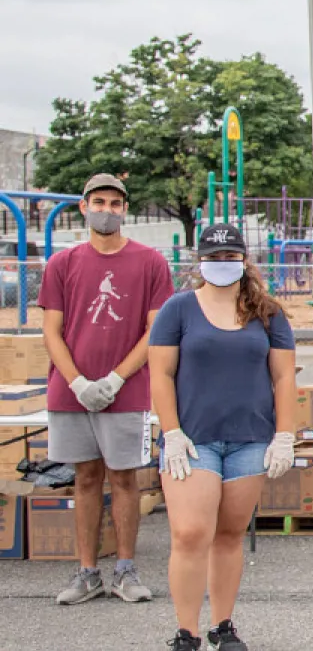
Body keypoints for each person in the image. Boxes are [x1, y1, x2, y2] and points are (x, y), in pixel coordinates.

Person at [151, 223, 297, 651]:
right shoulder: (177, 311)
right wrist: (171, 432)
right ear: (200, 262)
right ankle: (186, 632)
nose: (221, 265)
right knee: (191, 533)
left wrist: (285, 435)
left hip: (250, 439)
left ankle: (223, 625)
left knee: (230, 534)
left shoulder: (267, 314)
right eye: (213, 258)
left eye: (230, 257)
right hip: (193, 441)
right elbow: (160, 374)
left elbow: (284, 376)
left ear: (244, 260)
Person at [41, 173, 174, 607]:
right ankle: (86, 573)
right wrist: (77, 381)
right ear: (83, 206)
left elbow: (156, 330)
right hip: (71, 391)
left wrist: (117, 377)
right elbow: (51, 330)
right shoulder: (63, 263)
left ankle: (125, 569)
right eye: (99, 202)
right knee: (84, 479)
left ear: (125, 210)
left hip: (127, 391)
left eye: (115, 204)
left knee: (124, 479)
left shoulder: (151, 262)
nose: (106, 210)